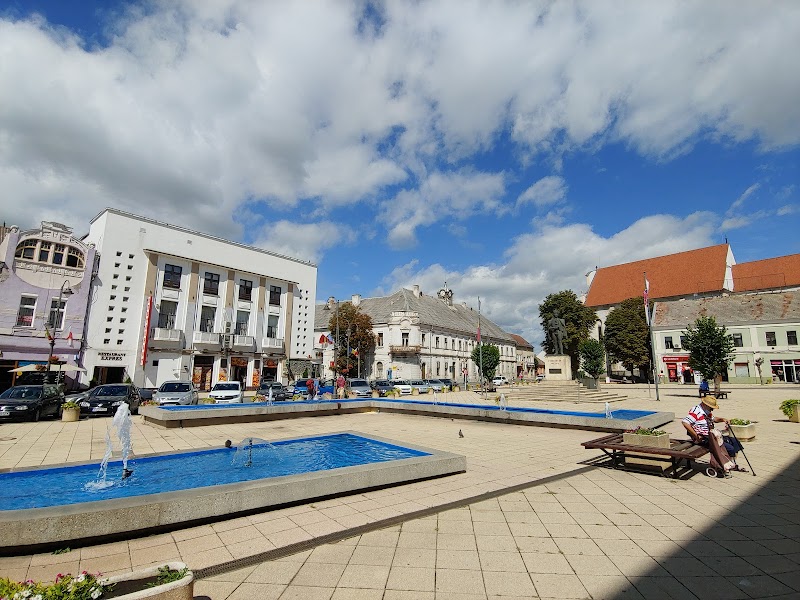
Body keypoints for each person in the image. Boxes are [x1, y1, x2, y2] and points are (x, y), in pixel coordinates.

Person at [682, 397, 747, 474]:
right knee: (729, 447)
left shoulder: (706, 411)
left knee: (734, 442)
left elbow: (713, 419)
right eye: (711, 408)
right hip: (703, 438)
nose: (712, 410)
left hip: (712, 435)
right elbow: (685, 422)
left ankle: (731, 463)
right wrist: (696, 436)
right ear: (705, 404)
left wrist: (722, 419)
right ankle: (725, 464)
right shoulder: (696, 411)